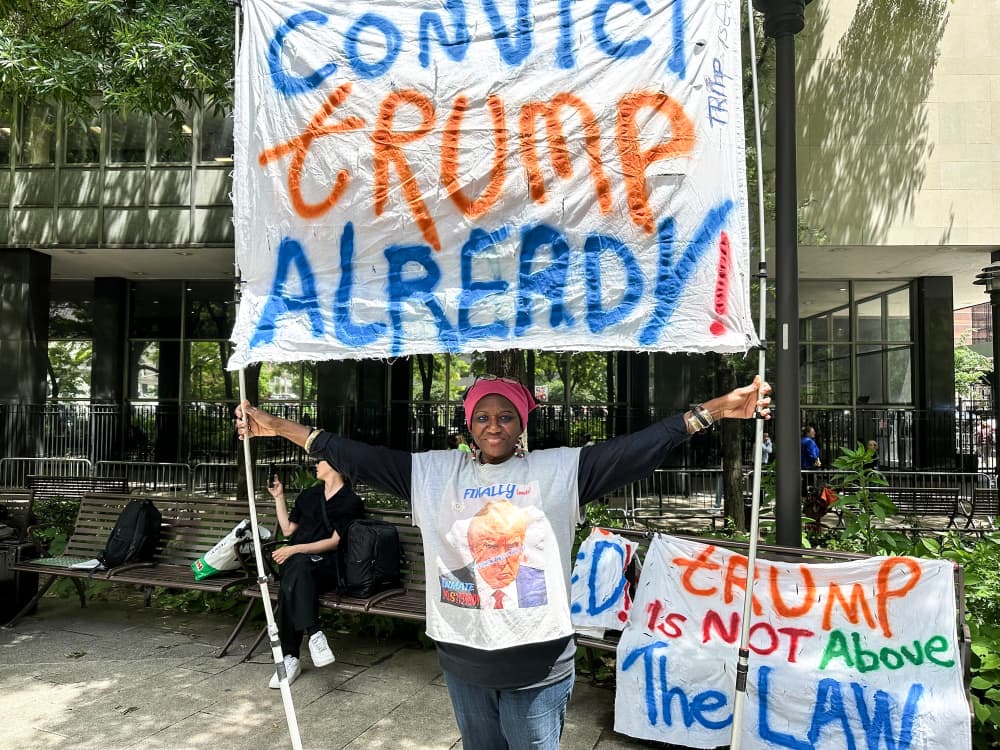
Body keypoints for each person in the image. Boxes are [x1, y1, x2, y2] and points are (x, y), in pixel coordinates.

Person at [237, 374, 770, 748]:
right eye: (483, 416)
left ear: (522, 424)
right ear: (470, 424)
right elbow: (353, 453)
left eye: (506, 416)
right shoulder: (434, 474)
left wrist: (716, 411)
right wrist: (277, 427)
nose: (494, 425)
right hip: (463, 660)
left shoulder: (561, 471)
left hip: (536, 663)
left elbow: (642, 446)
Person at [266, 458, 364, 688]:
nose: (315, 464)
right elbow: (289, 529)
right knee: (296, 571)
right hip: (298, 563)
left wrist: (294, 549)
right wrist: (279, 497)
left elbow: (333, 542)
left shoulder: (350, 502)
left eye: (320, 460)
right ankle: (315, 634)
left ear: (335, 464)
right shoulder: (309, 495)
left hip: (328, 566)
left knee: (290, 581)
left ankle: (290, 658)